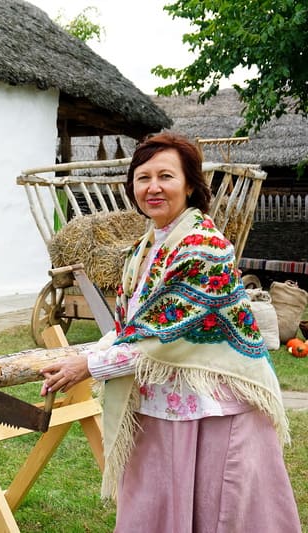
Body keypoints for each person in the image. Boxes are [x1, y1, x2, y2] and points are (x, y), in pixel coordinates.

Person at [40, 132, 300, 532]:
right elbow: (136, 325)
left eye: (166, 176)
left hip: (215, 408)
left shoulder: (204, 248)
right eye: (143, 178)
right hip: (166, 402)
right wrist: (93, 354)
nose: (153, 187)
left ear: (190, 185)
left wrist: (89, 365)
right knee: (158, 511)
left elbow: (162, 336)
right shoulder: (145, 249)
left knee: (220, 515)